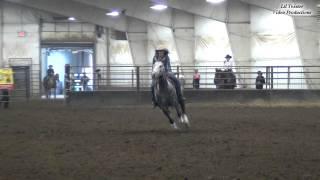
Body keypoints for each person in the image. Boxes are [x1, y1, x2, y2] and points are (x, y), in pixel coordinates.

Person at [151, 46, 185, 110]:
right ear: (157, 52)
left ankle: (179, 96)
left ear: (164, 52)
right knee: (152, 85)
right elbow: (153, 67)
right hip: (157, 74)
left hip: (166, 72)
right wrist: (153, 73)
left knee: (176, 81)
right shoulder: (154, 58)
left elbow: (168, 66)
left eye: (162, 51)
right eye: (159, 51)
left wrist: (166, 72)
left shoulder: (166, 57)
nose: (160, 52)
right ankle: (154, 101)